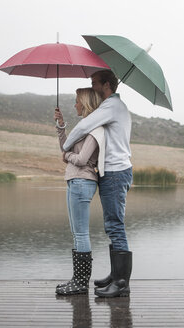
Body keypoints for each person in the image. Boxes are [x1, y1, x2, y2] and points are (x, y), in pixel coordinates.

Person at [63, 70, 133, 298]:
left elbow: (84, 127)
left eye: (94, 83)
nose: (92, 87)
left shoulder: (110, 107)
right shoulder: (115, 106)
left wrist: (66, 148)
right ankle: (115, 276)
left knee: (115, 225)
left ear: (106, 84)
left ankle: (121, 283)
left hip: (114, 172)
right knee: (112, 224)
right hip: (113, 172)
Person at [54, 87, 105, 296]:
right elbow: (65, 147)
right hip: (75, 181)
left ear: (84, 103)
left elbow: (82, 159)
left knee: (81, 233)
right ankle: (78, 280)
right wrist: (60, 126)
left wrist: (67, 158)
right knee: (77, 233)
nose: (75, 104)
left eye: (77, 101)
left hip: (82, 181)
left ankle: (81, 283)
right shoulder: (84, 127)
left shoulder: (94, 129)